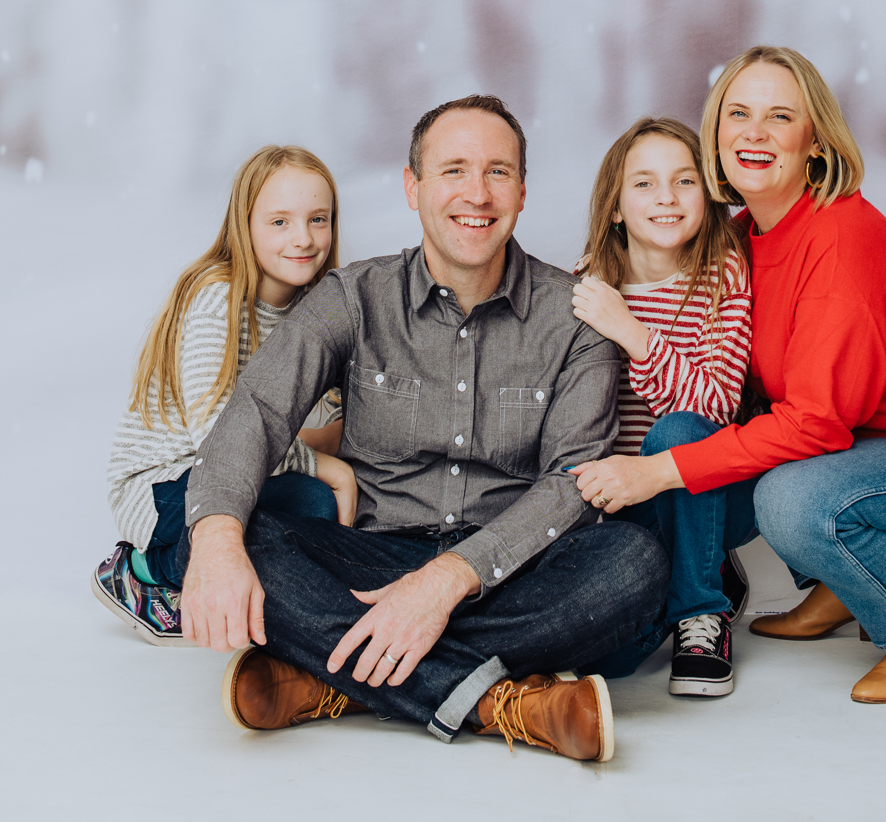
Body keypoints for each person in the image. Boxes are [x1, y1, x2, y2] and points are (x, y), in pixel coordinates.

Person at [178, 95, 669, 762]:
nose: (476, 192)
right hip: (376, 557)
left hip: (510, 566)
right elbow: (257, 414)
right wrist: (214, 541)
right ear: (412, 187)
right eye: (452, 170)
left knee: (630, 567)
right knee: (219, 532)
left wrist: (448, 581)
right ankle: (504, 704)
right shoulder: (351, 297)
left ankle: (339, 680)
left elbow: (571, 484)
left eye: (497, 171)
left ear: (522, 191)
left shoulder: (576, 314)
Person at [569, 46, 886, 705]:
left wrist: (655, 471)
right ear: (714, 133)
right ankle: (841, 582)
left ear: (814, 141)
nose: (753, 133)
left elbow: (816, 423)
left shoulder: (843, 244)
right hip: (884, 453)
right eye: (737, 113)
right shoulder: (744, 238)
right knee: (736, 440)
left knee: (788, 499)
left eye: (778, 116)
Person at [93, 146, 357, 645]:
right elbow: (218, 432)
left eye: (317, 219)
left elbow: (313, 420)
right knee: (313, 504)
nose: (302, 238)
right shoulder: (217, 294)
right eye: (279, 222)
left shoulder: (316, 312)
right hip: (166, 482)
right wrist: (330, 470)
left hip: (239, 475)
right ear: (245, 223)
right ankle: (146, 570)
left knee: (317, 515)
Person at [570, 116, 752, 697]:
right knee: (615, 662)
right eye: (644, 183)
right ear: (617, 206)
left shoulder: (722, 276)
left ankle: (702, 610)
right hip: (625, 505)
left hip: (710, 488)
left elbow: (719, 406)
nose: (667, 198)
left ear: (708, 193)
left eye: (684, 180)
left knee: (677, 431)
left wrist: (632, 332)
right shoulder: (590, 286)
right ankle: (693, 574)